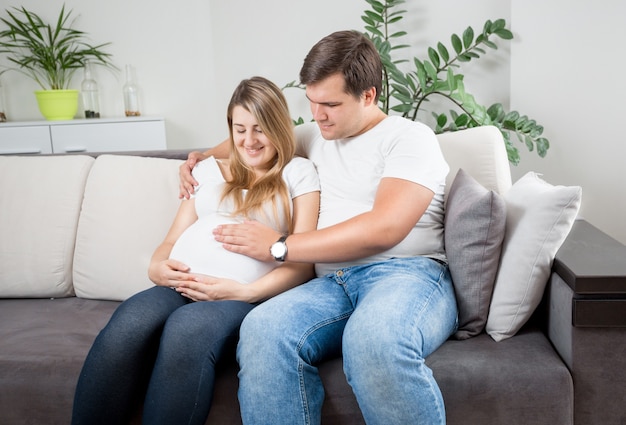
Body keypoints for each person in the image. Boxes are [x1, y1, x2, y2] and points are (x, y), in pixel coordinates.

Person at [180, 31, 458, 425]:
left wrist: (281, 246)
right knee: (262, 330)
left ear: (368, 96)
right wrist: (197, 159)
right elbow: (252, 140)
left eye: (330, 104)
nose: (317, 115)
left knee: (373, 342)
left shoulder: (409, 138)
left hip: (407, 273)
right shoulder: (317, 135)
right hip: (331, 283)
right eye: (311, 102)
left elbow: (385, 228)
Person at [71, 76, 320, 425]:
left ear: (278, 126)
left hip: (238, 297)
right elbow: (171, 240)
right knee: (128, 325)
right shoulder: (204, 171)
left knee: (186, 332)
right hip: (177, 286)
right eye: (240, 129)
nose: (249, 140)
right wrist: (156, 267)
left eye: (260, 129)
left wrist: (244, 292)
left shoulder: (299, 173)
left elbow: (303, 262)